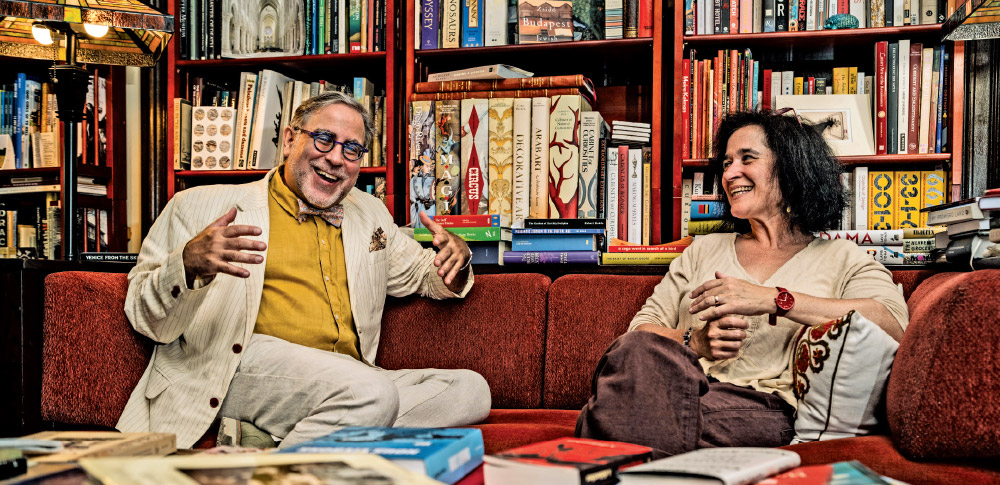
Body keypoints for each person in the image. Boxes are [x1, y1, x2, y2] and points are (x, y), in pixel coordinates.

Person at [116, 91, 491, 449]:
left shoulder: (370, 213)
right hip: (235, 365)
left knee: (471, 390)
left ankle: (304, 431)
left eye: (352, 149)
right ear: (290, 139)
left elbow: (426, 275)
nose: (336, 158)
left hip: (349, 376)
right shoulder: (197, 205)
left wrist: (457, 260)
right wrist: (187, 264)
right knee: (370, 393)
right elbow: (145, 317)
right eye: (325, 139)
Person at [576, 110, 909, 456]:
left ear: (792, 166)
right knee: (633, 355)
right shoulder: (702, 250)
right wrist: (695, 341)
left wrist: (774, 299)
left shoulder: (844, 258)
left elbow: (892, 325)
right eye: (726, 163)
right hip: (678, 386)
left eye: (747, 159)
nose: (730, 173)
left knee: (612, 416)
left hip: (760, 407)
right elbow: (640, 334)